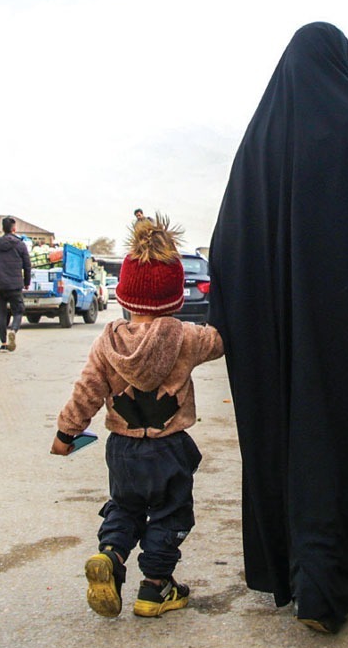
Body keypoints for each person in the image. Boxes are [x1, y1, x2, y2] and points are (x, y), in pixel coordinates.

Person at [208, 22, 348, 634]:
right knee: (344, 444)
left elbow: (226, 246)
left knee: (288, 444)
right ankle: (325, 582)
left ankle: (297, 571)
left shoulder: (257, 147)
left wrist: (258, 316)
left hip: (277, 347)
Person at [51, 214, 224, 619]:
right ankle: (155, 588)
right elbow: (220, 341)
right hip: (169, 449)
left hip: (123, 450)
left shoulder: (107, 342)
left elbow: (87, 391)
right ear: (175, 299)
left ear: (124, 297)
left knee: (124, 507)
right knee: (170, 514)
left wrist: (66, 433)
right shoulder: (187, 339)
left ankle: (110, 556)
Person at [0, 217, 31, 352]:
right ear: (14, 229)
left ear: (3, 229)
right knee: (18, 310)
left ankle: (3, 343)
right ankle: (14, 331)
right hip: (15, 284)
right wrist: (26, 282)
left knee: (1, 313)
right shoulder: (20, 245)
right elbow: (27, 266)